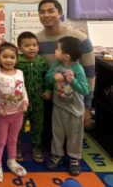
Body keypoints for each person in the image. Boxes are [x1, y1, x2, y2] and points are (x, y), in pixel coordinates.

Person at [37, 0, 95, 149]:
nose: (46, 15)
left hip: (74, 97)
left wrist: (87, 106)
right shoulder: (36, 40)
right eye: (42, 12)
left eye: (51, 11)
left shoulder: (80, 39)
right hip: (50, 97)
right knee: (49, 142)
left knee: (72, 140)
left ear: (60, 13)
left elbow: (89, 74)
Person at [45, 36, 89, 176]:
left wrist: (73, 81)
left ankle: (74, 158)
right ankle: (57, 155)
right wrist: (53, 77)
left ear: (66, 56)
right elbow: (48, 77)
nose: (55, 51)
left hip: (75, 111)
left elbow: (85, 90)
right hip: (59, 107)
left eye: (57, 49)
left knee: (74, 136)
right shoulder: (56, 64)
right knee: (57, 133)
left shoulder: (78, 68)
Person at [0, 42, 28, 183]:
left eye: (12, 57)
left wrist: (25, 102)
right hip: (3, 115)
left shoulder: (20, 73)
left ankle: (11, 161)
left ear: (16, 59)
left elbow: (23, 90)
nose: (8, 60)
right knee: (0, 140)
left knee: (13, 139)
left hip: (18, 114)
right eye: (5, 56)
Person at [16, 31, 49, 163]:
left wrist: (48, 89)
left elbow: (47, 78)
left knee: (38, 125)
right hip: (20, 102)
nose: (31, 48)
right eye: (27, 45)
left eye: (34, 45)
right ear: (19, 48)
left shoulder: (42, 62)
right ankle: (17, 146)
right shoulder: (17, 62)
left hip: (38, 102)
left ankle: (36, 145)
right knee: (19, 125)